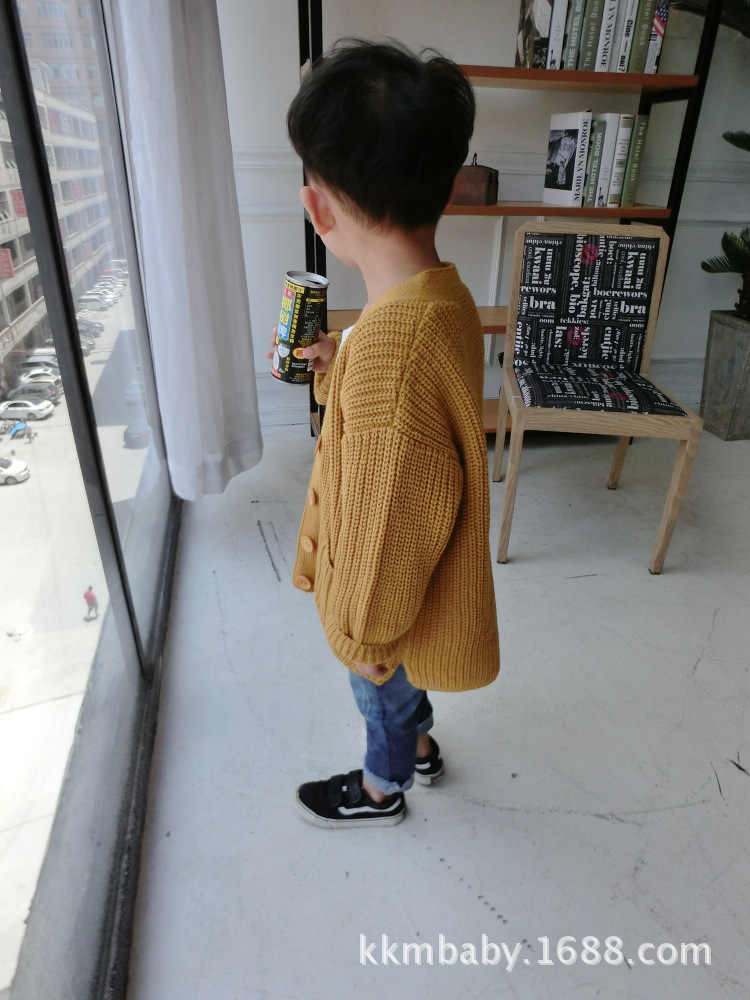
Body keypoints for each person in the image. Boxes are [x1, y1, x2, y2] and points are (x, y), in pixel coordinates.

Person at [274, 40, 500, 828]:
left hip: (383, 603)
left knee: (378, 688)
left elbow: (387, 519)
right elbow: (410, 416)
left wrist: (364, 633)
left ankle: (382, 787)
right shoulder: (441, 297)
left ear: (319, 209)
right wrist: (342, 362)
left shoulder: (389, 353)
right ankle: (423, 745)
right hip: (418, 589)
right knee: (402, 687)